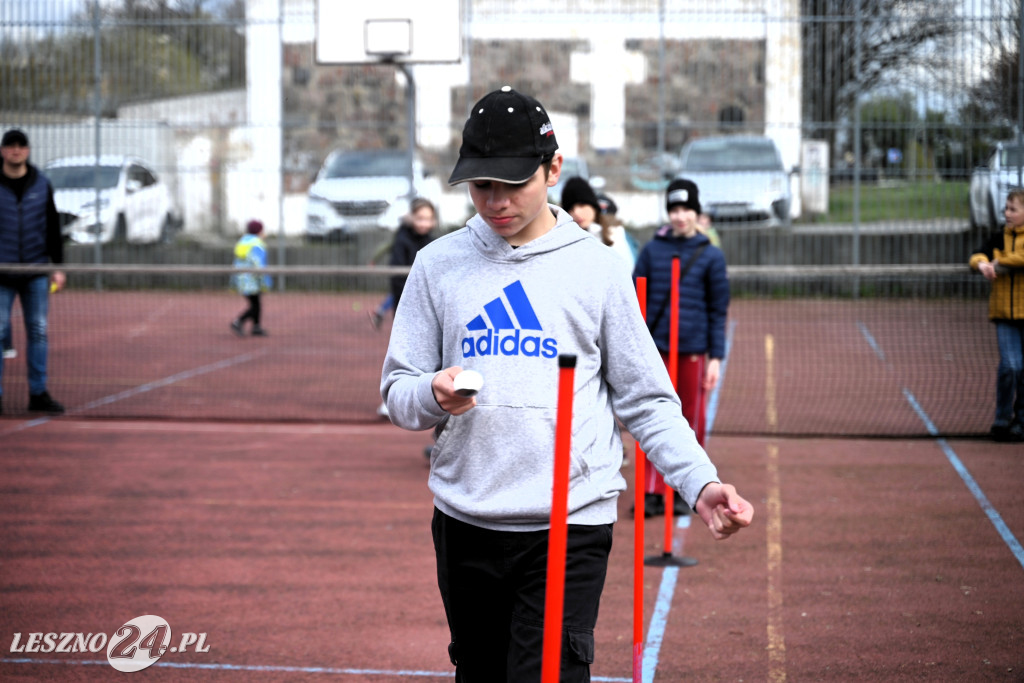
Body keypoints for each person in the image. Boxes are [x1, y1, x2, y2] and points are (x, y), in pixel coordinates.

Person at [380, 86, 753, 682]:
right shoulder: (436, 265)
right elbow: (398, 391)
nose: (496, 201)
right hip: (465, 521)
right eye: (481, 186)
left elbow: (647, 401)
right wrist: (431, 394)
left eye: (514, 183)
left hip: (569, 523)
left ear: (552, 169)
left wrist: (699, 482)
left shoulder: (598, 268)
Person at [633, 178, 730, 518]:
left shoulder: (711, 256)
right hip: (656, 350)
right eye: (674, 209)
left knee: (690, 420)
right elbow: (636, 298)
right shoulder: (652, 251)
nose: (680, 216)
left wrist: (716, 358)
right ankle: (651, 490)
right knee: (651, 418)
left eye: (686, 209)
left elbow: (718, 311)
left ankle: (687, 489)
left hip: (692, 352)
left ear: (697, 213)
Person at [0, 128, 66, 416]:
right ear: (3, 151)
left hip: (36, 271)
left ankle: (38, 393)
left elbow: (52, 227)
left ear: (27, 151)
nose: (16, 150)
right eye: (10, 145)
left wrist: (57, 268)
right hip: (2, 273)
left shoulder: (42, 184)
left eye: (21, 146)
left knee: (38, 331)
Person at [970, 187, 1024, 443]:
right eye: (1006, 208)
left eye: (1013, 209)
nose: (1007, 213)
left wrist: (999, 263)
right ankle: (1002, 418)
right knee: (1011, 366)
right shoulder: (998, 237)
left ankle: (1021, 421)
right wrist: (983, 263)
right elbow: (976, 255)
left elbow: (1021, 257)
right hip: (1004, 314)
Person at [377, 197, 438, 420]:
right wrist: (406, 305)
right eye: (420, 218)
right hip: (407, 307)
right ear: (412, 218)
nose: (424, 223)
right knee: (403, 357)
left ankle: (431, 398)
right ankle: (391, 400)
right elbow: (397, 276)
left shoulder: (434, 242)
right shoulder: (402, 240)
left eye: (428, 219)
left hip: (431, 309)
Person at [561, 177, 637, 267]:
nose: (576, 212)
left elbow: (627, 269)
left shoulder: (614, 233)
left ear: (593, 207)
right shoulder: (565, 238)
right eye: (570, 209)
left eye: (582, 205)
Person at [230, 219, 271, 337]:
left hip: (242, 279)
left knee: (256, 303)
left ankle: (256, 327)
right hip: (253, 280)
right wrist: (265, 281)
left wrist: (233, 281)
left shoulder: (242, 242)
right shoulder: (257, 244)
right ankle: (238, 322)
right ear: (259, 231)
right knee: (255, 305)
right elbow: (259, 264)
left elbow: (236, 263)